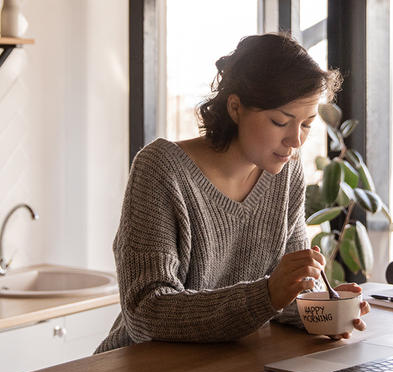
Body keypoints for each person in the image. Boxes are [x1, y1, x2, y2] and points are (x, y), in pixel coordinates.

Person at [95, 33, 370, 353]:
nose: (295, 141)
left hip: (225, 366)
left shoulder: (285, 172)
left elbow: (286, 294)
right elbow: (147, 312)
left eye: (307, 125)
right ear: (236, 107)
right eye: (281, 121)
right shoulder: (161, 170)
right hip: (141, 369)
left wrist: (322, 310)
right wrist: (267, 294)